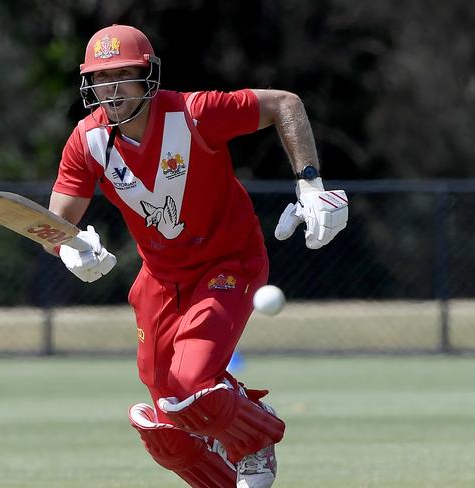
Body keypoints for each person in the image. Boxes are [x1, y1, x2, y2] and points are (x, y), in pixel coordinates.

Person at [49, 24, 348, 488]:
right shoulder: (87, 141)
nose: (112, 88)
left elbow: (284, 103)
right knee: (167, 429)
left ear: (148, 75)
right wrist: (70, 247)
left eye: (124, 74)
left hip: (227, 264)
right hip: (161, 279)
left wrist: (310, 184)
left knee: (192, 388)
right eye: (101, 78)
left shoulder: (193, 114)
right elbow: (56, 221)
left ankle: (256, 437)